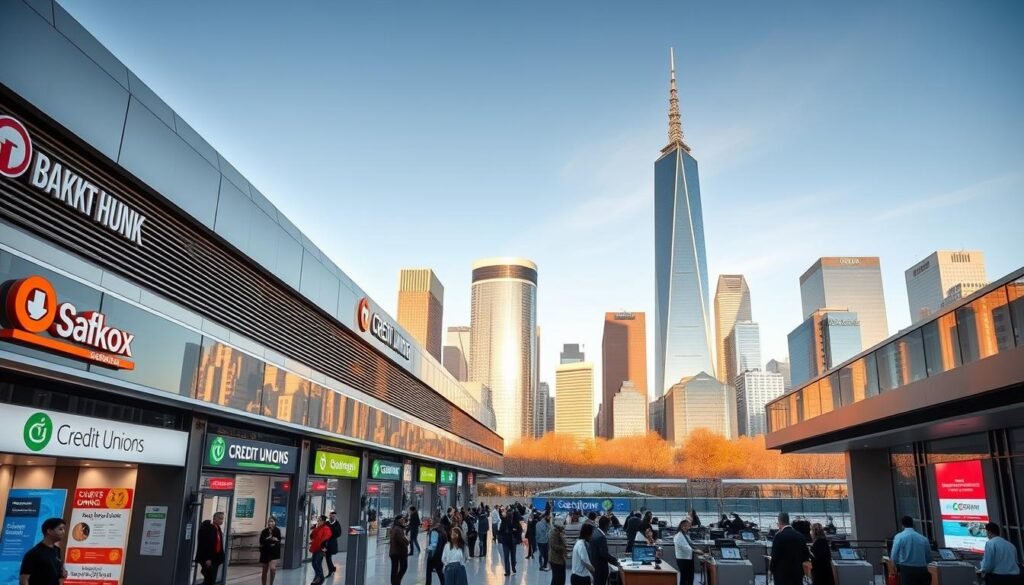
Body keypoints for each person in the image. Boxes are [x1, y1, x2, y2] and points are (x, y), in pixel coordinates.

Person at [19, 517, 67, 585]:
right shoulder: (34, 553)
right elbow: (24, 579)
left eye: (64, 529)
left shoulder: (57, 550)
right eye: (60, 529)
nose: (63, 532)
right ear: (49, 531)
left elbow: (59, 575)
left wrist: (63, 574)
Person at [770, 512, 811, 585]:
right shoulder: (800, 536)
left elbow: (774, 557)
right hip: (797, 575)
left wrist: (772, 570)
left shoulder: (779, 536)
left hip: (782, 576)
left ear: (779, 522)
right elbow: (806, 556)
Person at [890, 516, 931, 585]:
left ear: (902, 525)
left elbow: (894, 554)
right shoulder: (923, 538)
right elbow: (928, 556)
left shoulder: (899, 537)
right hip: (922, 569)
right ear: (913, 524)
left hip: (906, 569)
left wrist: (894, 565)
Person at [195, 511, 226, 585]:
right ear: (214, 518)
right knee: (209, 579)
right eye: (220, 518)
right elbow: (205, 544)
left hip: (216, 558)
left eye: (222, 519)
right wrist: (207, 558)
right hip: (208, 558)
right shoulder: (207, 528)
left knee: (211, 579)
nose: (221, 521)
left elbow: (218, 544)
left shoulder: (217, 528)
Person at [592, 516, 621, 585]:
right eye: (609, 525)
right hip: (601, 568)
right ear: (606, 525)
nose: (609, 527)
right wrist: (616, 562)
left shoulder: (595, 532)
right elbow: (604, 554)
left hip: (595, 565)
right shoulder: (601, 537)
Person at [259, 517, 283, 585]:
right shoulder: (264, 531)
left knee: (272, 568)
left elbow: (278, 541)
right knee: (264, 570)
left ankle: (271, 583)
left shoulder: (277, 531)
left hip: (274, 553)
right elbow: (261, 541)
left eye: (272, 521)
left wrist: (275, 540)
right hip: (265, 552)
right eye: (269, 521)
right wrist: (269, 539)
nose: (270, 523)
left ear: (275, 522)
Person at [426, 515, 448, 585]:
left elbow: (434, 544)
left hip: (433, 555)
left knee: (429, 572)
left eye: (431, 520)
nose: (430, 522)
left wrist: (428, 549)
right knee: (440, 571)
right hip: (440, 554)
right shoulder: (442, 531)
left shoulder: (434, 531)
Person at [674, 519, 696, 585]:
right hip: (683, 559)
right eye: (688, 526)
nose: (689, 527)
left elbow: (690, 544)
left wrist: (695, 549)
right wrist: (695, 550)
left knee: (690, 577)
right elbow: (685, 547)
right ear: (683, 526)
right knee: (684, 577)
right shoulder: (678, 536)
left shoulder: (685, 535)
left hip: (688, 558)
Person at [498, 506, 519, 576]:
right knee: (507, 556)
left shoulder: (515, 522)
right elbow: (500, 531)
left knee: (512, 556)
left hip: (512, 541)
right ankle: (508, 571)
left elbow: (518, 530)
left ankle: (513, 568)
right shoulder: (504, 521)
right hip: (506, 541)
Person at [389, 516, 410, 585]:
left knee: (394, 569)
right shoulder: (398, 529)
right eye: (402, 519)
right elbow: (402, 540)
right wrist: (407, 541)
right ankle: (396, 582)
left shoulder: (397, 528)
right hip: (398, 552)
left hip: (395, 551)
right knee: (403, 567)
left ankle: (395, 582)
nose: (403, 520)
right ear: (398, 520)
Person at [325, 511, 342, 577]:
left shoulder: (337, 524)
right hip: (326, 543)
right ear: (329, 516)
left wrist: (331, 531)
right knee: (328, 557)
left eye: (334, 516)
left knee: (328, 557)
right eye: (331, 516)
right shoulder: (327, 523)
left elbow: (339, 533)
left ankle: (331, 570)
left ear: (335, 517)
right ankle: (332, 569)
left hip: (332, 543)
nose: (332, 517)